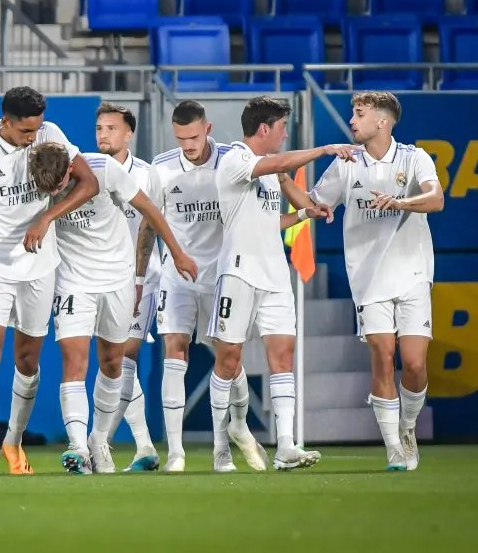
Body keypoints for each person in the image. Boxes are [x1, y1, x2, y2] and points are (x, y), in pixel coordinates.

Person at [0, 86, 100, 476]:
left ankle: (12, 441)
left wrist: (47, 216)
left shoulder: (51, 135)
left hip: (40, 267)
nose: (34, 137)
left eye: (37, 129)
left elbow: (89, 183)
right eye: (27, 131)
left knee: (27, 360)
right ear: (6, 122)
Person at [27, 142, 198, 475]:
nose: (57, 193)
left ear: (69, 169)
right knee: (74, 360)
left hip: (117, 277)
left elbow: (150, 209)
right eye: (50, 190)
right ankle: (77, 448)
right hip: (73, 281)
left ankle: (98, 440)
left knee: (112, 363)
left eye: (61, 185)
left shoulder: (104, 170)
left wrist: (176, 253)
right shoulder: (39, 183)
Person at [207, 97, 355, 471]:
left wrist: (308, 211)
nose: (285, 134)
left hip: (274, 273)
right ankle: (220, 447)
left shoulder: (270, 172)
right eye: (282, 127)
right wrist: (324, 149)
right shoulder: (235, 159)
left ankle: (286, 446)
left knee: (283, 357)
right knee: (228, 360)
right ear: (263, 129)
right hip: (238, 272)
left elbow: (271, 221)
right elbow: (277, 164)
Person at [307, 91, 444, 471]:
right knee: (383, 360)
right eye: (353, 113)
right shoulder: (347, 163)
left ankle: (408, 428)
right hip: (368, 281)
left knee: (414, 365)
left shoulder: (414, 158)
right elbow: (315, 203)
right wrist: (286, 181)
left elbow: (436, 198)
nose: (352, 121)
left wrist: (402, 203)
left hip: (414, 274)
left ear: (382, 122)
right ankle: (393, 450)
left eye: (359, 114)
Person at [134, 100, 264, 473]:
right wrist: (140, 279)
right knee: (174, 350)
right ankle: (176, 452)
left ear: (207, 129)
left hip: (223, 276)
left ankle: (230, 440)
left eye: (193, 137)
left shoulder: (231, 161)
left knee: (229, 361)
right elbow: (148, 226)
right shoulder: (161, 167)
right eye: (180, 139)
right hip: (178, 276)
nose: (187, 145)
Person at [92, 102, 162, 471]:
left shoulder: (147, 175)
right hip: (100, 277)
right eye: (100, 128)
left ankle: (108, 443)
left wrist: (137, 279)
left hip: (142, 278)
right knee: (113, 361)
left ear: (129, 133)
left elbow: (151, 227)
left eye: (111, 128)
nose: (104, 135)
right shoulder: (88, 171)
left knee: (124, 356)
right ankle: (139, 445)